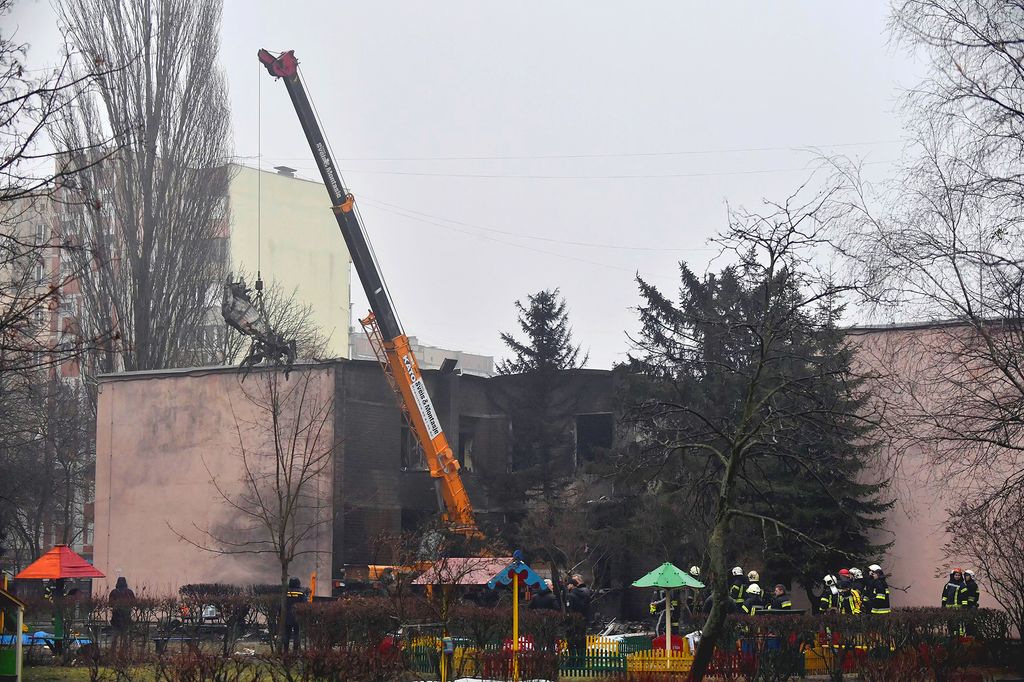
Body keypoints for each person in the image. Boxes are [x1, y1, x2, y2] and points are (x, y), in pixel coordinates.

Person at [109, 576, 136, 653]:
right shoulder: (129, 592)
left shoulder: (114, 592)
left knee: (115, 638)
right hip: (126, 618)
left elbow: (110, 604)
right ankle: (125, 652)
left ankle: (113, 652)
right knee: (125, 638)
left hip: (116, 619)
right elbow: (134, 603)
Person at [283, 577, 305, 652]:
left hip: (287, 616)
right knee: (296, 634)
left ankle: (285, 651)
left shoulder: (286, 593)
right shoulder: (301, 593)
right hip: (297, 616)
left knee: (287, 634)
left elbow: (282, 604)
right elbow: (304, 604)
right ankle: (295, 651)